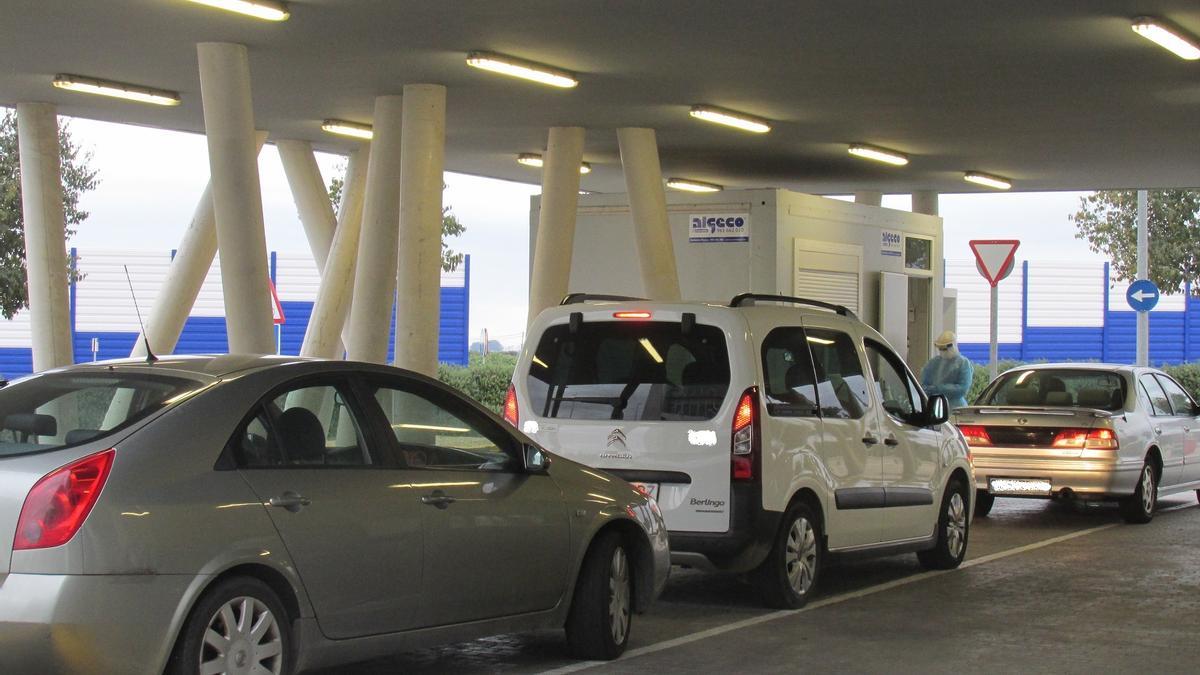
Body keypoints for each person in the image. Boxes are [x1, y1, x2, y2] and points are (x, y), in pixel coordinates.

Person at [920, 331, 973, 409]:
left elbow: (963, 388)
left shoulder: (963, 363)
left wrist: (939, 388)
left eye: (945, 349)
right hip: (936, 406)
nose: (943, 352)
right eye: (941, 349)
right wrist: (934, 390)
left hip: (956, 408)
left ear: (953, 346)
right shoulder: (933, 363)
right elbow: (924, 386)